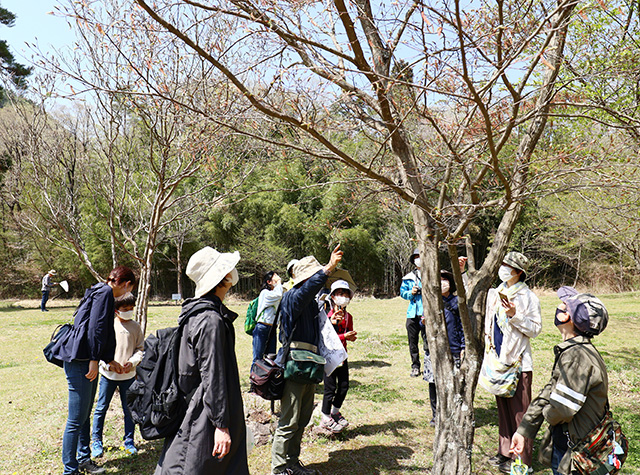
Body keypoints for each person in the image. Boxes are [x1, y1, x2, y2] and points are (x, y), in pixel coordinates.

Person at [154, 246, 249, 475]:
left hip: (198, 407)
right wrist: (221, 425)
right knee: (193, 466)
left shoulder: (197, 314)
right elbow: (212, 375)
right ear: (223, 277)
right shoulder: (210, 320)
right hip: (203, 414)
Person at [511, 288, 610, 475]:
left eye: (563, 306)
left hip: (574, 452)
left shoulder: (577, 356)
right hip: (569, 444)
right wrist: (525, 430)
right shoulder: (575, 350)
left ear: (567, 317)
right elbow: (550, 391)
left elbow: (561, 409)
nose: (558, 308)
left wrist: (547, 413)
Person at [50, 266, 137, 475]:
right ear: (125, 284)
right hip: (81, 361)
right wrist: (93, 359)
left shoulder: (98, 289)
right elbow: (96, 329)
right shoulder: (105, 293)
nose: (127, 293)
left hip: (86, 358)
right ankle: (70, 470)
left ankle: (83, 459)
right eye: (129, 289)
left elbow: (99, 328)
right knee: (75, 419)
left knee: (84, 414)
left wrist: (108, 360)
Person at [271, 245, 343, 475]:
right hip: (294, 366)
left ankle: (292, 464)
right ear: (306, 279)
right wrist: (329, 268)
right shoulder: (294, 296)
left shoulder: (310, 302)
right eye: (315, 277)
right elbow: (306, 291)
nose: (319, 281)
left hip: (309, 366)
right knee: (288, 421)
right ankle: (279, 468)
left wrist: (332, 322)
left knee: (301, 420)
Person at [485, 251, 542, 474]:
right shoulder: (496, 292)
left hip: (518, 363)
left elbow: (535, 329)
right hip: (498, 360)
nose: (503, 269)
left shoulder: (528, 297)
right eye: (502, 264)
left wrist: (515, 315)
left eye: (508, 266)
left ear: (519, 272)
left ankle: (522, 462)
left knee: (520, 413)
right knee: (503, 410)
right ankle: (505, 453)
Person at [91, 292, 144, 458]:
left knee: (129, 410)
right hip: (108, 376)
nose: (128, 311)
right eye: (125, 309)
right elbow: (98, 351)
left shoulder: (135, 326)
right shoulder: (109, 325)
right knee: (101, 408)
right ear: (116, 310)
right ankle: (96, 442)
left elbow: (140, 349)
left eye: (131, 308)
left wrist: (133, 362)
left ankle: (129, 441)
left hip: (128, 377)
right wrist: (107, 365)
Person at [423, 270, 465, 426]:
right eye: (438, 280)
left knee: (453, 383)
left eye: (445, 279)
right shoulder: (431, 301)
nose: (442, 283)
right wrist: (424, 323)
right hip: (434, 349)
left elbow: (463, 326)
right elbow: (423, 325)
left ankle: (453, 414)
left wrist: (462, 346)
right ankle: (436, 415)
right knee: (433, 383)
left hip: (453, 348)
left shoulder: (457, 301)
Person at [319, 279, 357, 434]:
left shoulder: (349, 316)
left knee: (344, 386)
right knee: (330, 387)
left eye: (346, 294)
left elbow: (349, 333)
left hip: (342, 355)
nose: (344, 297)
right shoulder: (326, 314)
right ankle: (325, 415)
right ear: (333, 296)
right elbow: (325, 337)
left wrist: (350, 336)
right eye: (340, 293)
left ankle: (335, 411)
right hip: (329, 356)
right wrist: (336, 326)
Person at [400, 248, 426, 377]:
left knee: (428, 342)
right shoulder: (408, 277)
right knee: (412, 342)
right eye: (416, 257)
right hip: (412, 314)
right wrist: (411, 293)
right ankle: (415, 366)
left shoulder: (432, 274)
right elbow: (402, 293)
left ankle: (429, 366)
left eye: (420, 256)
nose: (418, 259)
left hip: (426, 313)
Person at [252, 271, 283, 366]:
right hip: (262, 327)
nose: (278, 278)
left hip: (272, 328)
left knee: (271, 357)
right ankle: (254, 379)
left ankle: (266, 379)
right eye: (275, 277)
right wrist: (279, 283)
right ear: (269, 282)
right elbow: (278, 295)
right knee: (258, 357)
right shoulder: (265, 293)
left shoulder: (277, 292)